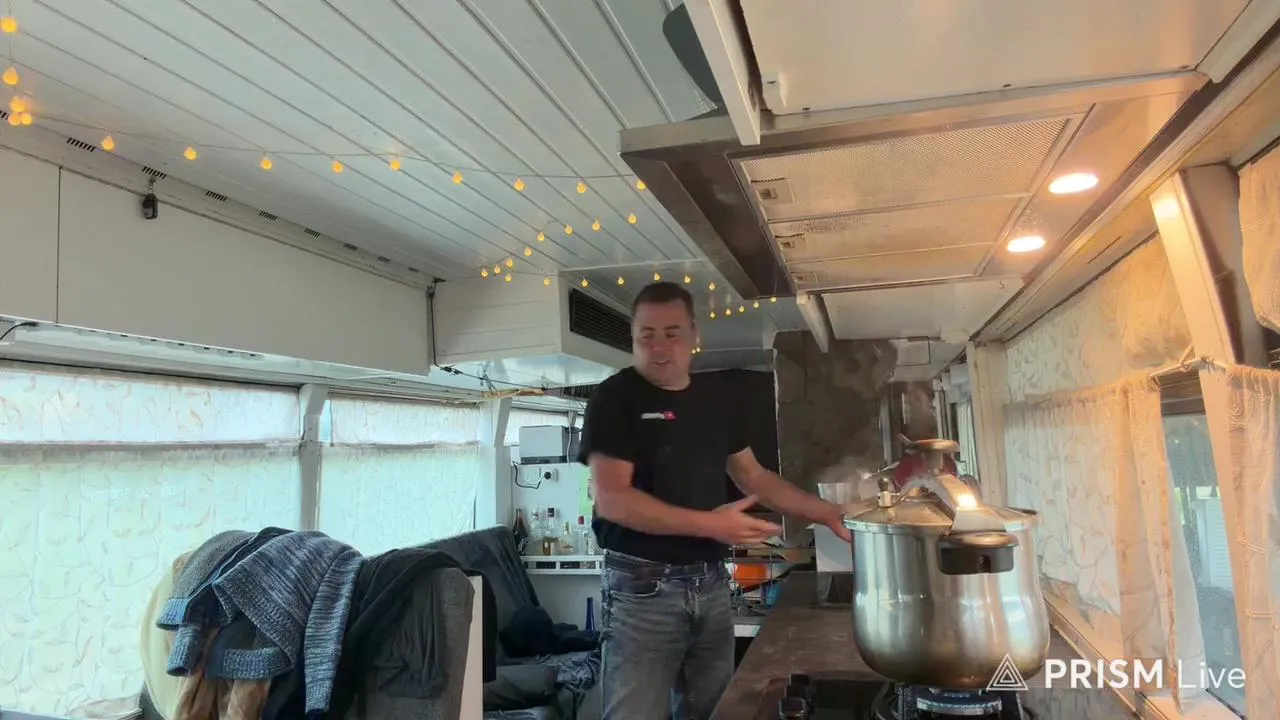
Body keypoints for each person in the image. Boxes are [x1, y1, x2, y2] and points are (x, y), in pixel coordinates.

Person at [576, 281, 851, 719]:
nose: (660, 347)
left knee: (716, 711)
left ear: (694, 335)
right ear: (632, 337)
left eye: (672, 334)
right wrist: (713, 525)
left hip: (710, 583)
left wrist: (827, 512)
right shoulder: (614, 398)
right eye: (647, 335)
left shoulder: (716, 400)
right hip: (641, 591)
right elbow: (613, 500)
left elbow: (753, 476)